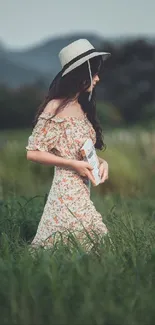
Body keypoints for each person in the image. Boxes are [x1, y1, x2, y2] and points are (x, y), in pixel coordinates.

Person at [26, 38, 111, 251]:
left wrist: (101, 162)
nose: (98, 79)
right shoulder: (55, 107)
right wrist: (73, 165)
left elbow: (83, 149)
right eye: (95, 73)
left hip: (83, 187)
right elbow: (33, 153)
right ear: (82, 75)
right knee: (91, 242)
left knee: (80, 246)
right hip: (65, 188)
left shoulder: (83, 107)